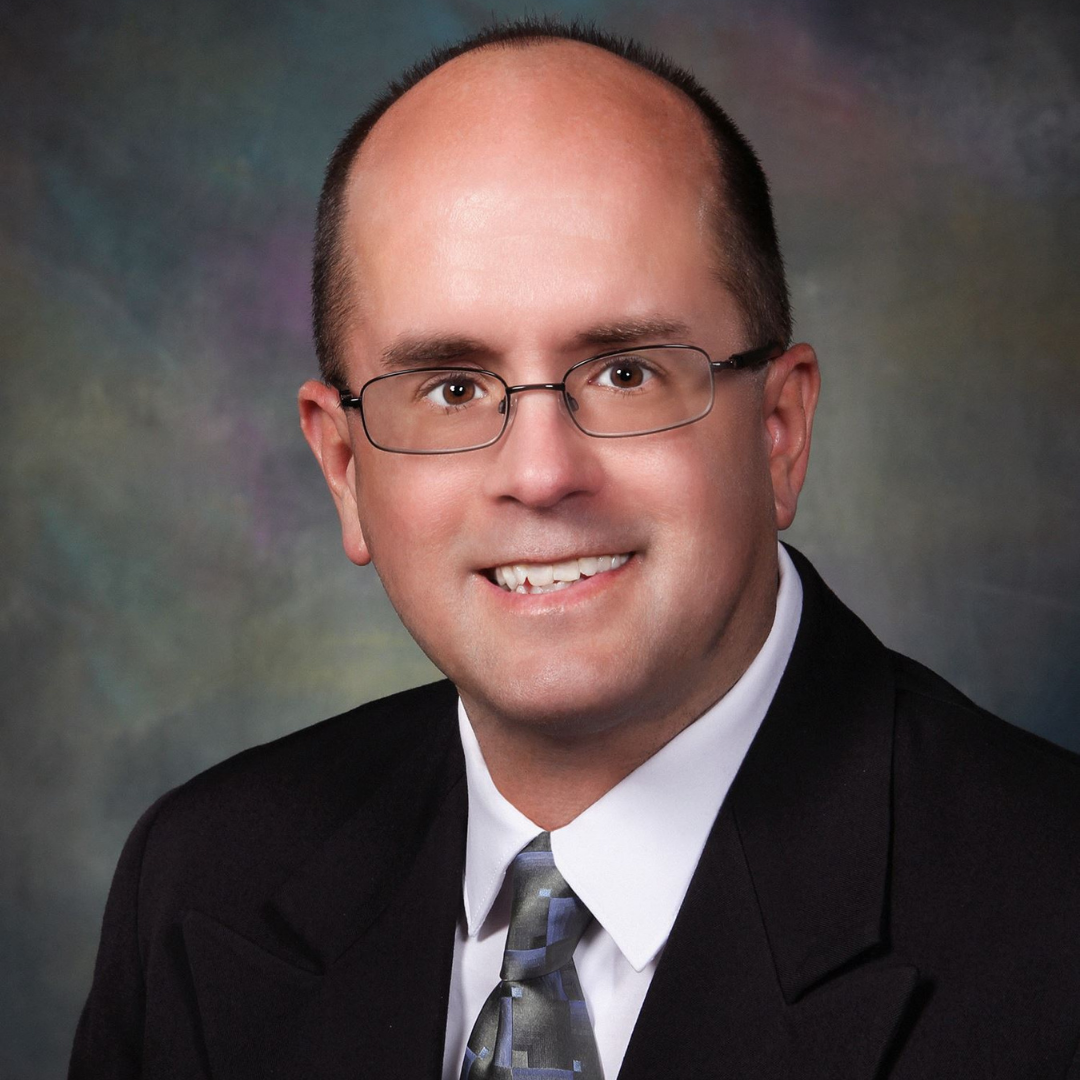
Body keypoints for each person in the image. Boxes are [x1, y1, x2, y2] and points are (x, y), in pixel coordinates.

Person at [71, 19, 1080, 1080]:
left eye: (627, 371)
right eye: (453, 389)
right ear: (343, 468)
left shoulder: (1052, 930)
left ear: (779, 430)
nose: (542, 472)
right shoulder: (200, 886)